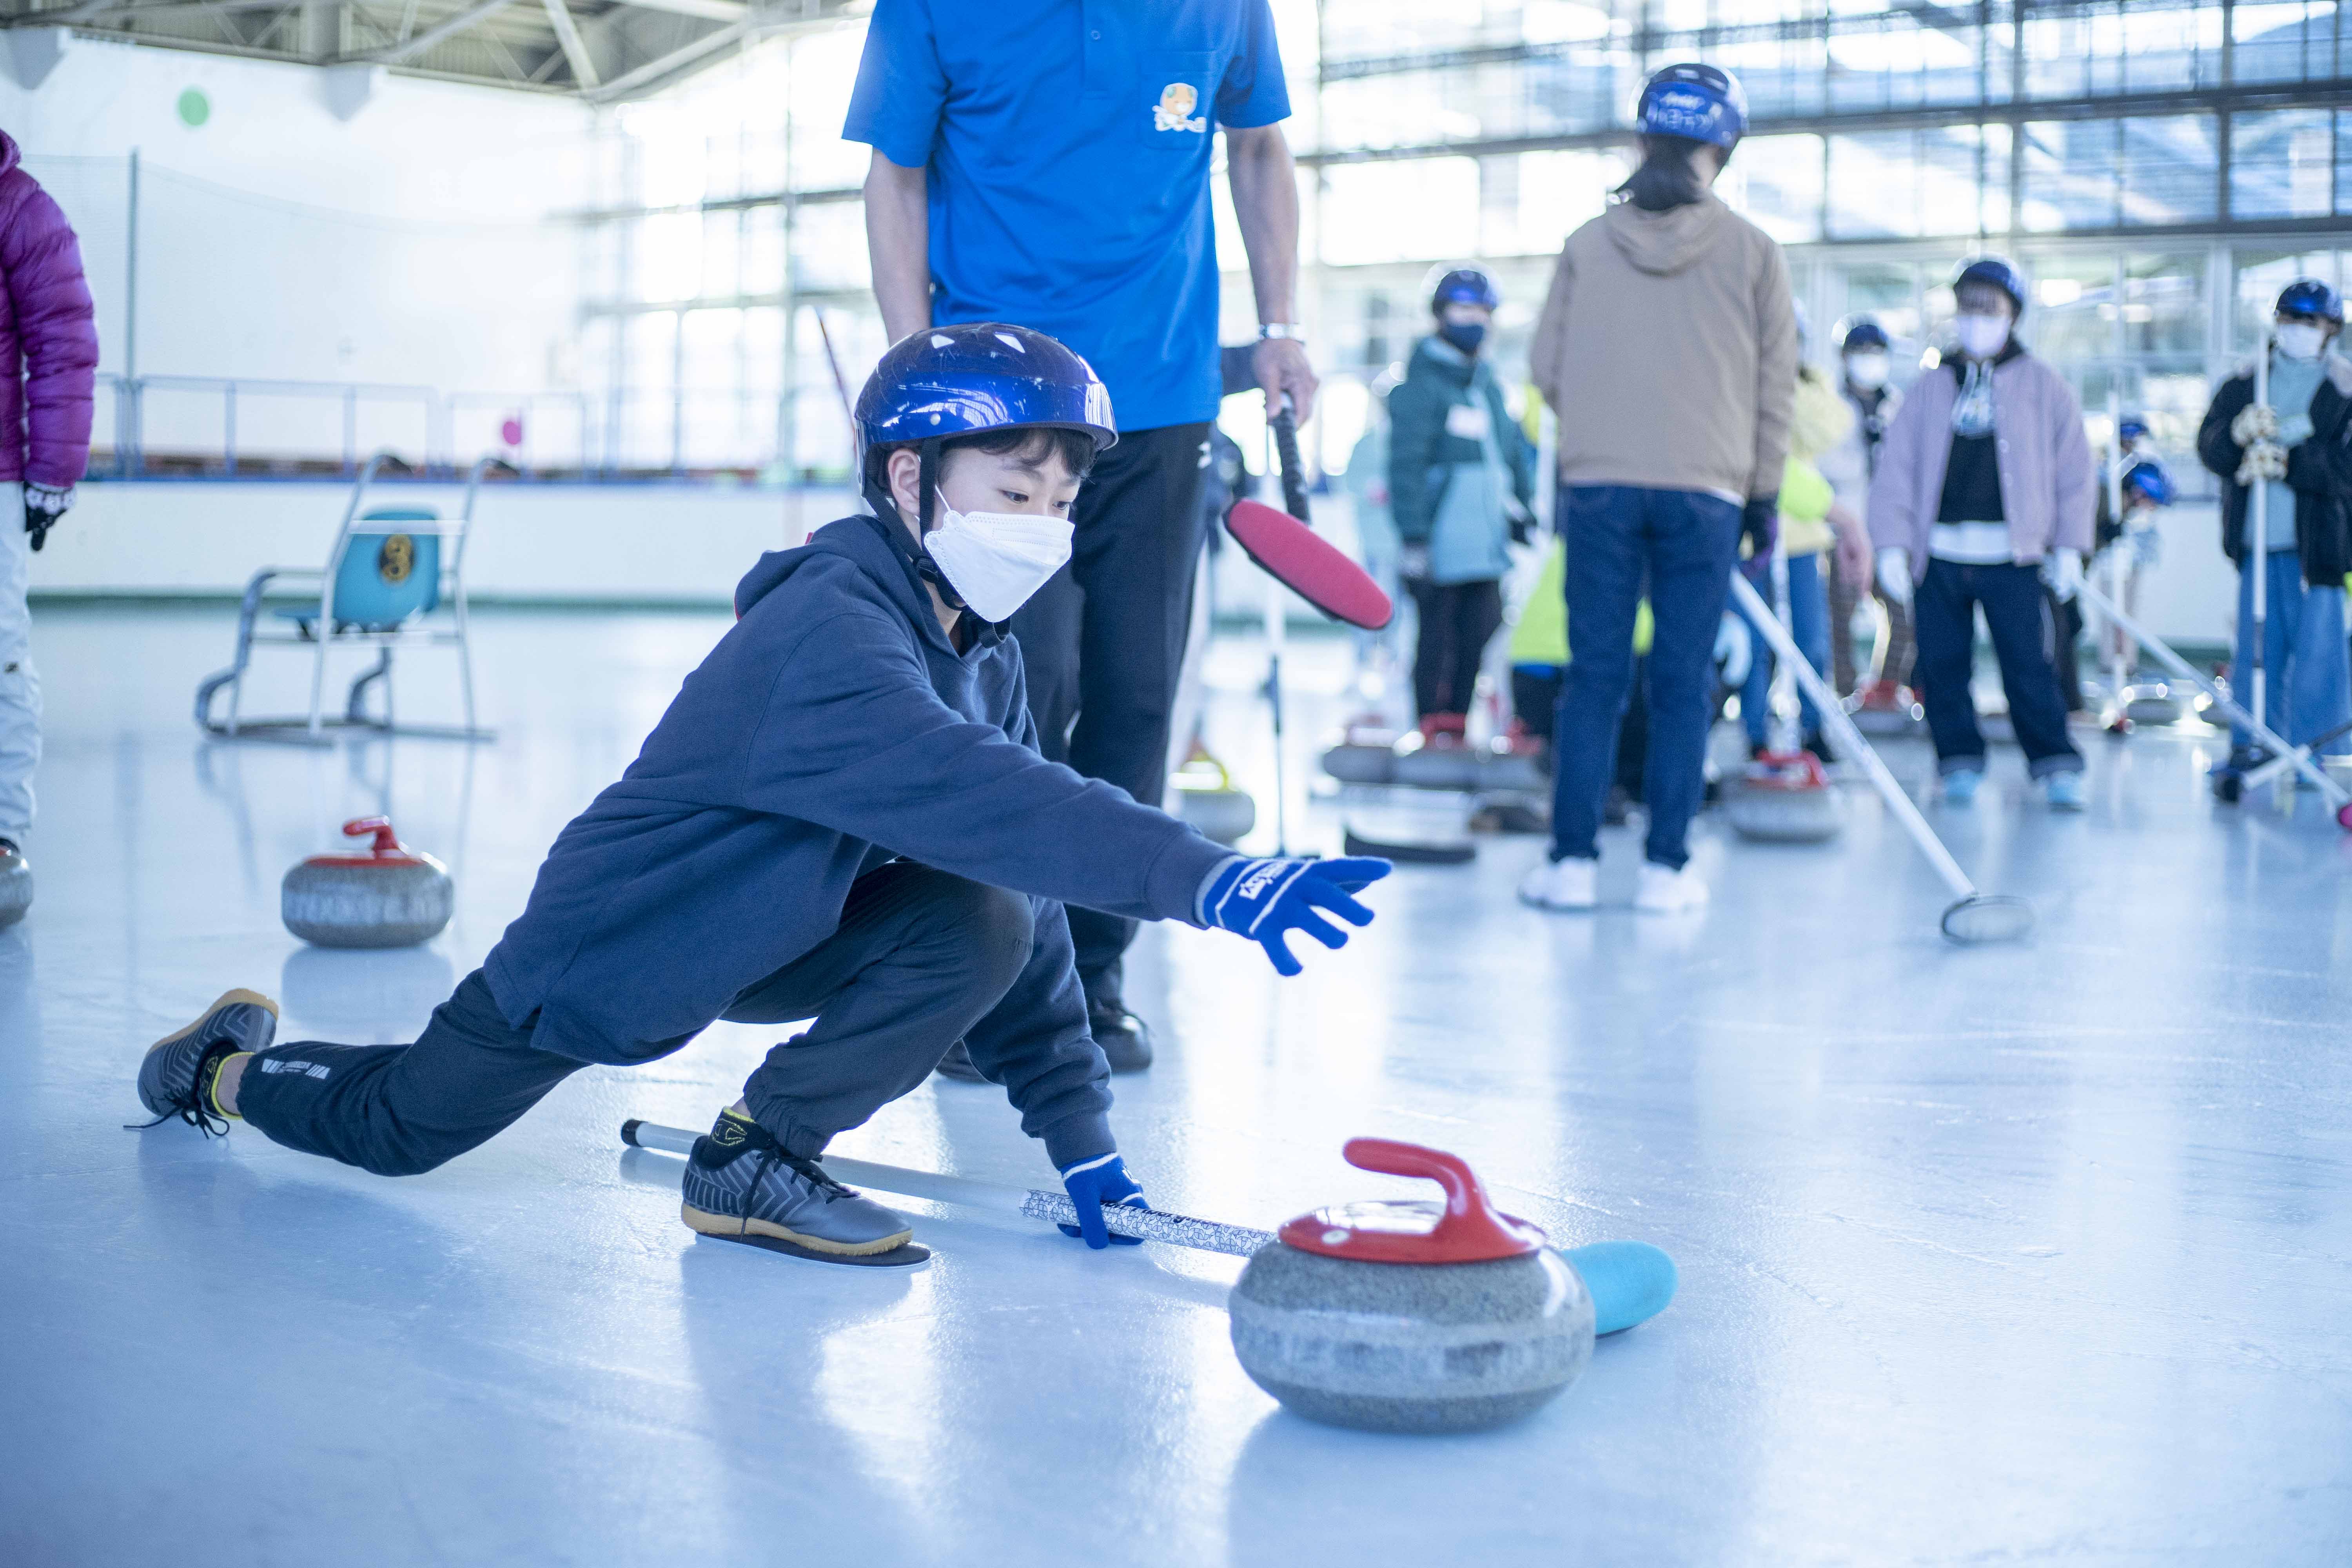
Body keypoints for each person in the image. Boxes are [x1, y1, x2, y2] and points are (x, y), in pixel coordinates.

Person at [129, 326, 1390, 1262]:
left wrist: (1082, 1141)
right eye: (1012, 494)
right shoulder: (832, 633)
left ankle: (758, 1157)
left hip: (781, 927)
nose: (1045, 529)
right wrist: (1208, 875)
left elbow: (1032, 878)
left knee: (986, 913)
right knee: (401, 1125)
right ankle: (222, 1071)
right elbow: (987, 792)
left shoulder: (978, 650)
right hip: (621, 938)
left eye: (1060, 504)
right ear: (908, 481)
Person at [847, 0, 1313, 1072]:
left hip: (1163, 402)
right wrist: (913, 359)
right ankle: (985, 979)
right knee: (1026, 692)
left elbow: (1259, 148)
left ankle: (1093, 981)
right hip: (997, 411)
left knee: (1138, 695)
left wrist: (1282, 329)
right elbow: (896, 177)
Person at [1519, 62, 1797, 915]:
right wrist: (1761, 492)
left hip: (1600, 489)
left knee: (1594, 678)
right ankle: (1666, 868)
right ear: (1727, 146)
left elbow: (1545, 370)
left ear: (1644, 139)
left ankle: (1571, 864)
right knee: (1684, 681)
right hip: (1708, 493)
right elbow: (1775, 388)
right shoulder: (1755, 252)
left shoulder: (1585, 246)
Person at [1869, 256, 2092, 809]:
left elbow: (2074, 471)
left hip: (2012, 556)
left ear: (2013, 315)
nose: (1977, 319)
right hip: (1940, 554)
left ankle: (2053, 762)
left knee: (2028, 665)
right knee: (1943, 665)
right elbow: (1897, 468)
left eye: (1989, 309)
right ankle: (1958, 759)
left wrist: (2069, 546)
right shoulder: (1928, 388)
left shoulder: (2046, 387)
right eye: (1968, 308)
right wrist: (1892, 545)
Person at [2196, 277, 2352, 782]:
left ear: (2331, 329)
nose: (2298, 330)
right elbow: (2209, 445)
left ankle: (2317, 756)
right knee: (2258, 654)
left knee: (2319, 657)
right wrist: (2236, 435)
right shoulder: (2246, 381)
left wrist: (2290, 460)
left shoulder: (2345, 388)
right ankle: (2250, 745)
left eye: (2310, 322)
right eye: (2290, 319)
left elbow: (2346, 467)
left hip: (2320, 548)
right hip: (2258, 543)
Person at [0, 131, 98, 927]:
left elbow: (63, 344)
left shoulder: (23, 208)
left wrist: (52, 472)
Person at [1387, 267, 1538, 750]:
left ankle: (1458, 722)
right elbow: (1406, 464)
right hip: (1441, 540)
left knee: (1479, 632)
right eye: (1462, 310)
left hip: (1486, 540)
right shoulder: (1423, 386)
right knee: (1438, 635)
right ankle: (1430, 726)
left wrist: (1524, 505)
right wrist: (1413, 535)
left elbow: (1510, 450)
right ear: (1440, 316)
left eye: (1481, 311)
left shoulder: (1488, 385)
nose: (1473, 321)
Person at [1734, 314, 1872, 759]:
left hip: (1803, 536)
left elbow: (1827, 429)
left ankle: (1815, 727)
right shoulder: (1737, 386)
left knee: (1812, 641)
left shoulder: (1811, 387)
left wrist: (1783, 388)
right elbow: (1768, 457)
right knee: (1754, 645)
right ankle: (1755, 734)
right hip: (1751, 538)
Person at [1818, 315, 1913, 706]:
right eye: (1860, 353)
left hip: (1887, 530)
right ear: (1844, 358)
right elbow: (1823, 467)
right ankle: (1844, 692)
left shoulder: (1897, 406)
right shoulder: (1829, 406)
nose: (1868, 360)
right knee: (1839, 615)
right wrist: (1864, 448)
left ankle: (1885, 688)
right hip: (1842, 528)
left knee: (1902, 614)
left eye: (1875, 353)